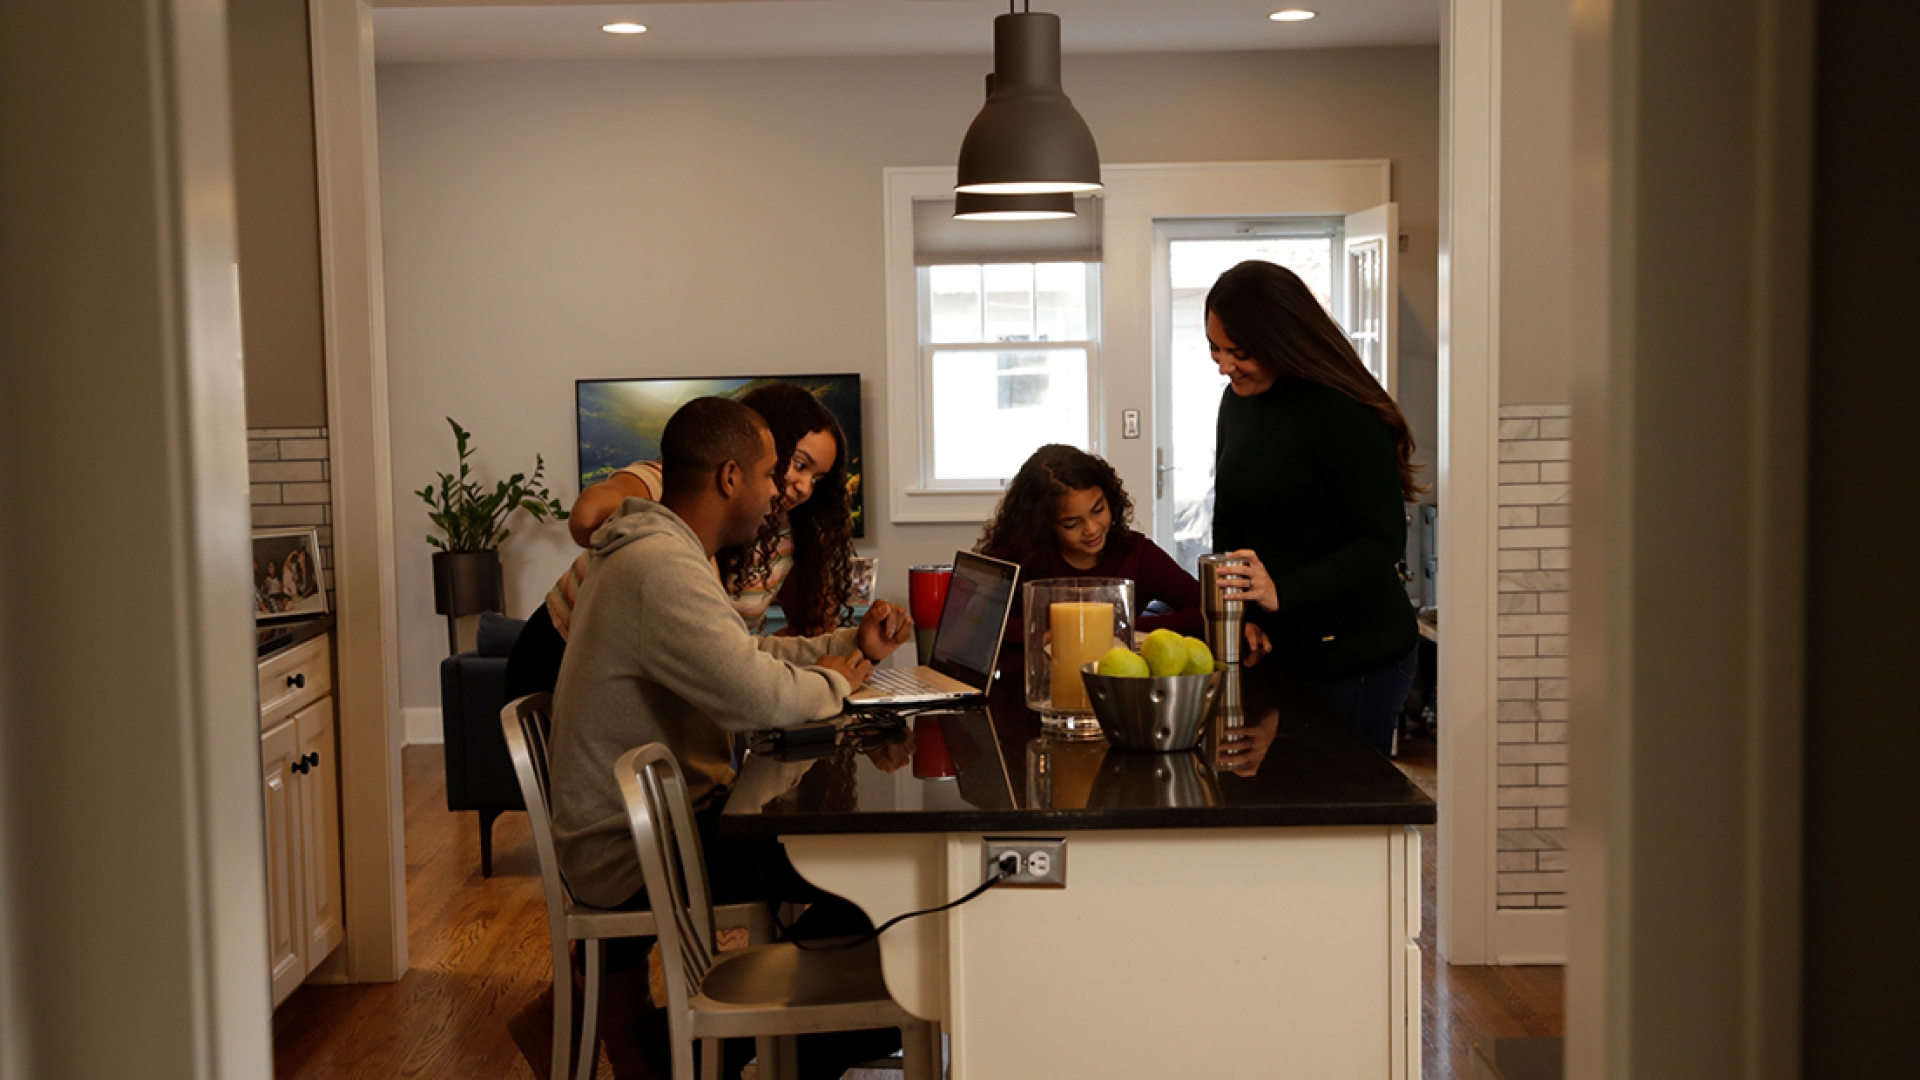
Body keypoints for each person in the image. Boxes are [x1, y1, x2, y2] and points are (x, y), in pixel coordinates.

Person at [538, 396, 910, 1080]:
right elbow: (758, 697)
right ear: (731, 477)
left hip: (660, 824)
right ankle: (717, 1051)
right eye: (773, 474)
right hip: (636, 849)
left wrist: (847, 646)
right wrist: (838, 683)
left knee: (858, 884)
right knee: (876, 894)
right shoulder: (660, 567)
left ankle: (729, 1045)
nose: (780, 493)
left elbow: (745, 661)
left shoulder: (671, 552)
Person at [504, 383, 857, 703]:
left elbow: (793, 633)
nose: (805, 487)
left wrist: (832, 660)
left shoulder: (788, 537)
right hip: (562, 651)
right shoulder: (678, 489)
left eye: (818, 478)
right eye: (798, 465)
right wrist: (681, 534)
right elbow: (586, 518)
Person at [1202, 260, 1425, 757]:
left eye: (1239, 352)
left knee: (1344, 817)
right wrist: (1239, 616)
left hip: (1359, 657)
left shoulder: (1341, 411)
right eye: (1215, 349)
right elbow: (1230, 516)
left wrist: (1283, 592)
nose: (1223, 366)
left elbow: (1383, 537)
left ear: (1282, 340)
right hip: (1279, 650)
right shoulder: (1236, 403)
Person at [976, 444, 1202, 643]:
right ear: (1042, 525)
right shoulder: (1015, 556)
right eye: (1071, 524)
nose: (1092, 529)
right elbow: (976, 625)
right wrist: (1044, 633)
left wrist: (1121, 628)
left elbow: (1203, 609)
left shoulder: (1136, 553)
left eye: (1099, 510)